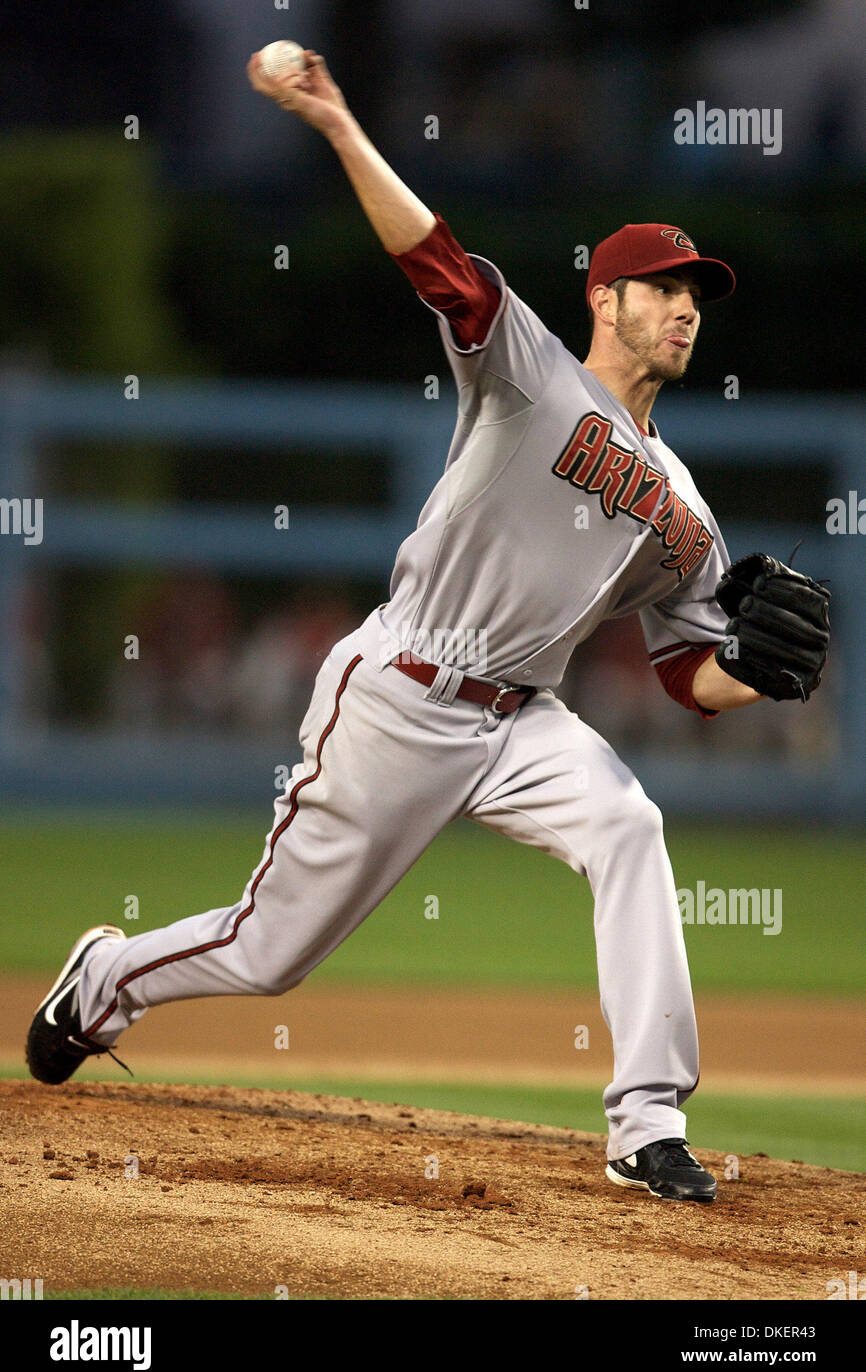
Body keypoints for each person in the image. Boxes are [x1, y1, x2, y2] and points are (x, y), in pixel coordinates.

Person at [27, 48, 802, 1205]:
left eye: (697, 294)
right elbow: (436, 264)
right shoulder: (533, 372)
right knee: (270, 952)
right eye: (663, 286)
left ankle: (644, 1121)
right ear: (605, 297)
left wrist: (761, 675)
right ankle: (104, 979)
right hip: (399, 687)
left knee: (628, 824)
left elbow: (689, 671)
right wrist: (337, 124)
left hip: (523, 721)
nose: (685, 307)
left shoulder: (684, 508)